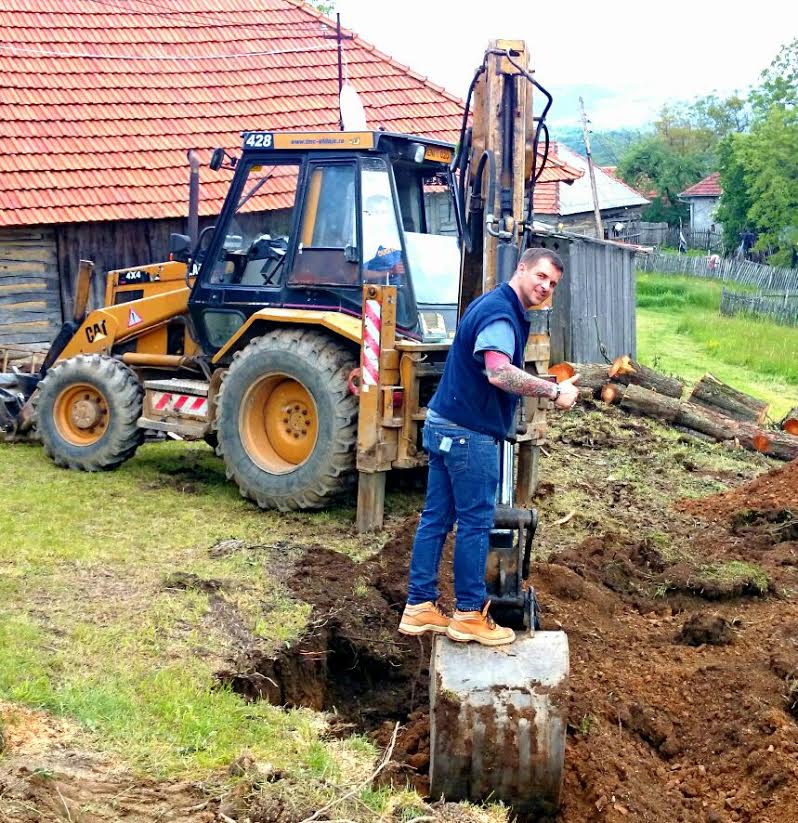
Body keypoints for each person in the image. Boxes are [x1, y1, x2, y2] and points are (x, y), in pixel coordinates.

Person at [398, 247, 580, 646]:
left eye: (552, 284)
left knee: (436, 518)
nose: (545, 287)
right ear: (522, 269)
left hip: (444, 423)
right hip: (469, 435)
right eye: (541, 277)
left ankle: (419, 605)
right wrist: (552, 392)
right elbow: (498, 372)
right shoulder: (500, 314)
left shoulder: (494, 304)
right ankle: (468, 613)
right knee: (476, 522)